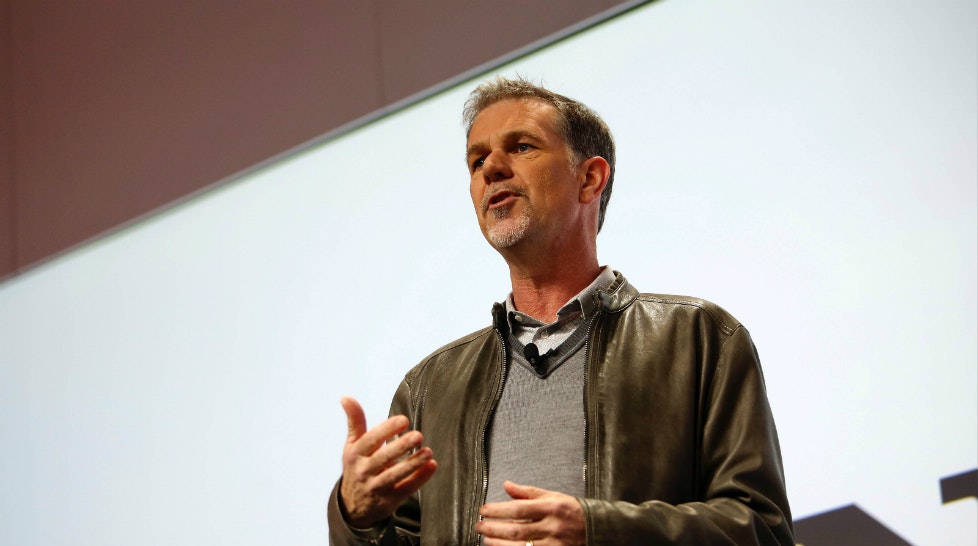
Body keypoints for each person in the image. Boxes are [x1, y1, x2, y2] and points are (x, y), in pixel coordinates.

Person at [327, 76, 794, 545]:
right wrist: (356, 518)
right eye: (477, 160)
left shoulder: (698, 338)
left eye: (522, 146)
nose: (491, 170)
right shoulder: (430, 387)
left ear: (589, 178)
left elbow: (762, 530)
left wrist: (599, 531)